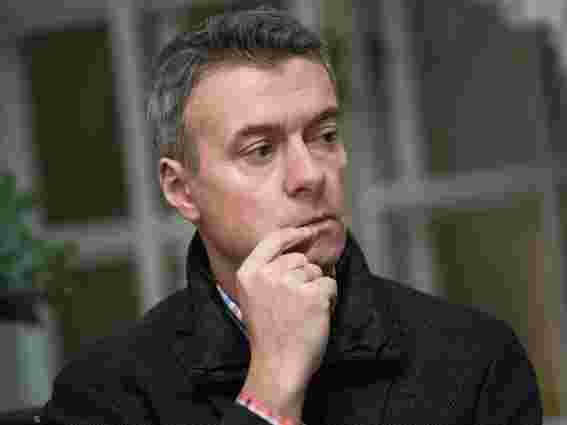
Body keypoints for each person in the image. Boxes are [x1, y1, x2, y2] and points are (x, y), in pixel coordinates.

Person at [42, 7, 542, 425]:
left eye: (325, 136)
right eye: (261, 149)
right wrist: (271, 388)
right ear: (181, 189)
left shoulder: (476, 361)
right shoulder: (103, 395)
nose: (310, 175)